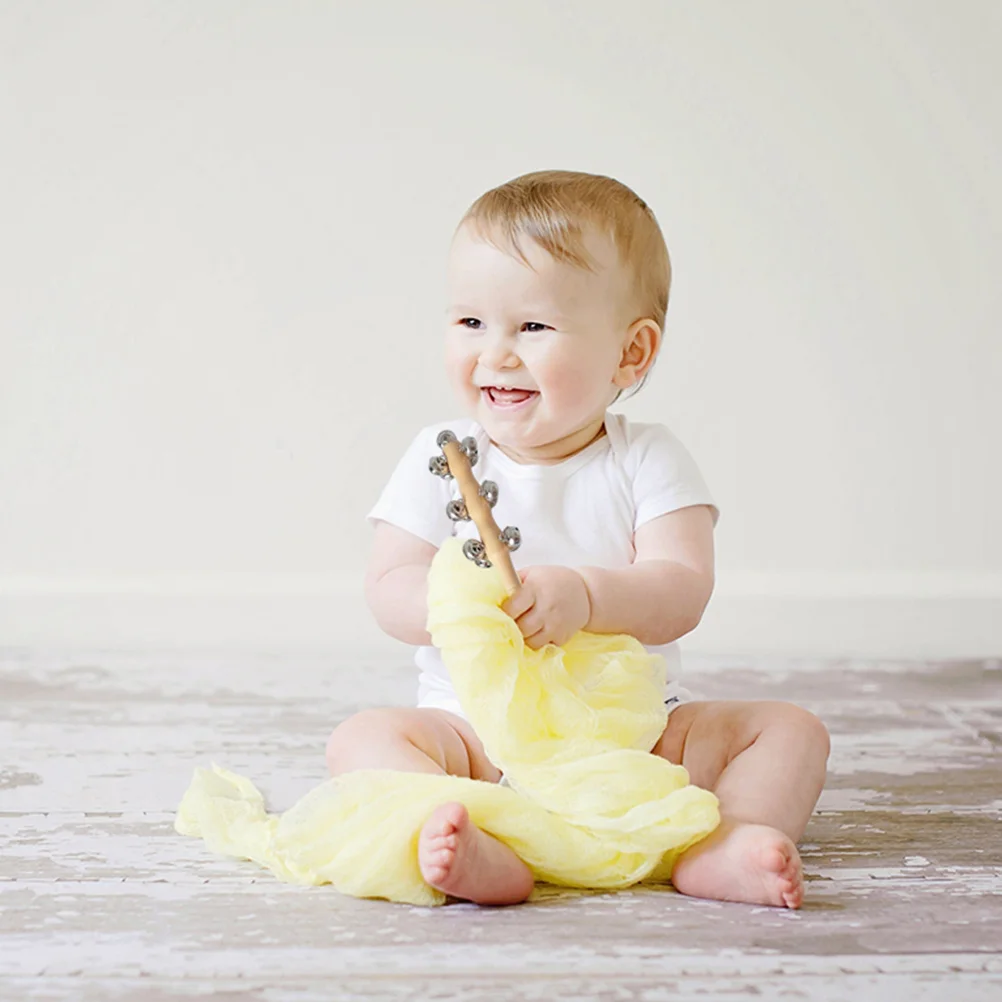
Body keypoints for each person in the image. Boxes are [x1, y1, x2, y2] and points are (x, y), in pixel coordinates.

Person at [326, 170, 830, 908]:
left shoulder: (646, 458)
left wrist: (587, 595)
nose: (495, 353)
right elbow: (388, 585)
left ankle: (730, 842)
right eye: (470, 322)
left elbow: (682, 588)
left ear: (631, 353)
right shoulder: (442, 454)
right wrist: (463, 607)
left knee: (792, 731)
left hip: (633, 737)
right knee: (361, 740)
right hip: (475, 734)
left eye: (532, 327)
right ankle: (477, 836)